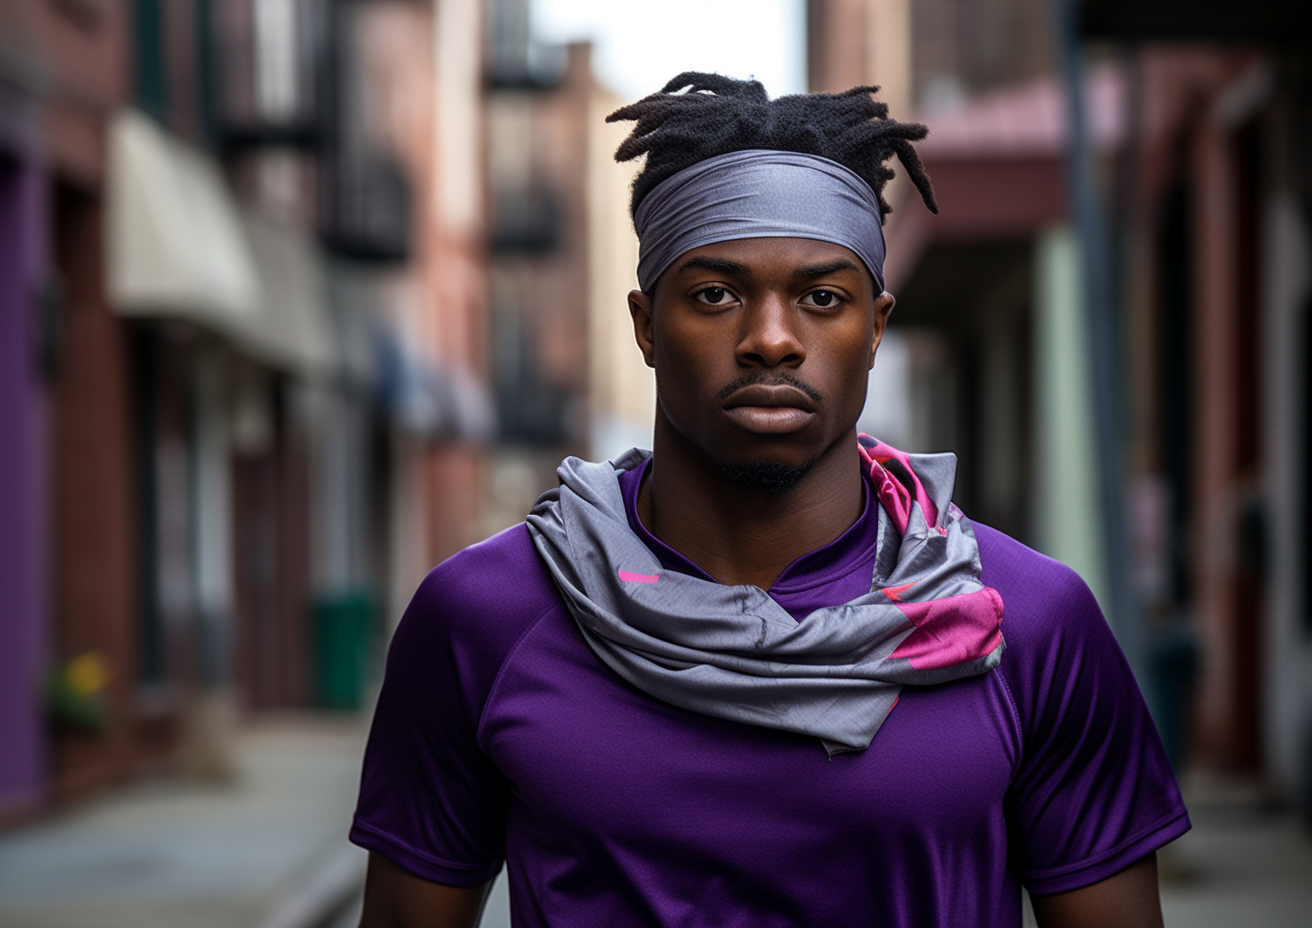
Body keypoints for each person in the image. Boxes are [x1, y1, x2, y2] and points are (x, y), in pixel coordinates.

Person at [350, 74, 1189, 928]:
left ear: (875, 327)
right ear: (645, 324)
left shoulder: (1029, 620)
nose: (772, 340)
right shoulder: (487, 617)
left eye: (822, 298)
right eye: (716, 294)